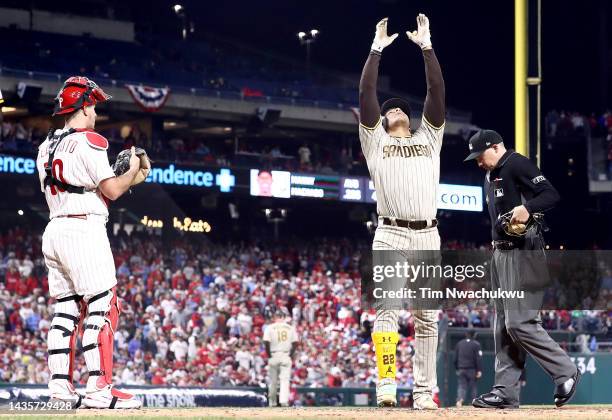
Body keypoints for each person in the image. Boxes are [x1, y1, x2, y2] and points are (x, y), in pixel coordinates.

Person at [36, 76, 146, 409]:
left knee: (65, 311)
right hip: (83, 230)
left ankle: (60, 391)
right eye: (94, 105)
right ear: (84, 105)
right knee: (102, 304)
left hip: (55, 228)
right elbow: (111, 190)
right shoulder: (90, 140)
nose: (96, 111)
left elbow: (81, 187)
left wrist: (123, 179)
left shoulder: (45, 147)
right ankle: (99, 389)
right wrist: (135, 170)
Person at [358, 14, 445, 409]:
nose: (394, 110)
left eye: (400, 109)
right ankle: (387, 385)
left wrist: (427, 47)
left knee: (428, 318)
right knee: (388, 311)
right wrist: (376, 49)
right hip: (390, 232)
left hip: (428, 233)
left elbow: (437, 91)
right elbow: (367, 93)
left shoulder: (429, 137)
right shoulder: (375, 140)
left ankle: (425, 392)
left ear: (410, 118)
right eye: (388, 109)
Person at [464, 129, 580, 408]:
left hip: (524, 252)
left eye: (480, 156)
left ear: (495, 147)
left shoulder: (517, 163)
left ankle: (565, 371)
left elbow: (551, 195)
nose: (478, 162)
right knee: (503, 326)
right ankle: (505, 392)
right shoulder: (490, 174)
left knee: (520, 322)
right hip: (501, 254)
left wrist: (527, 209)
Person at [263, 309, 298, 407]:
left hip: (273, 354)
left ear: (275, 318)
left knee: (272, 381)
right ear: (283, 317)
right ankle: (283, 401)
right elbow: (295, 343)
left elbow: (266, 342)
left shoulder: (270, 327)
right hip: (285, 354)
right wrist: (290, 354)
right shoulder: (290, 328)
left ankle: (272, 402)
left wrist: (269, 354)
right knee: (285, 380)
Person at [454, 329, 482, 407]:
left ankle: (460, 400)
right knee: (473, 386)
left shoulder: (459, 343)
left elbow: (455, 358)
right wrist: (479, 370)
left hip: (461, 368)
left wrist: (457, 368)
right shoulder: (476, 344)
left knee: (461, 386)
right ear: (474, 335)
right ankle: (473, 402)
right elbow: (478, 358)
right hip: (472, 369)